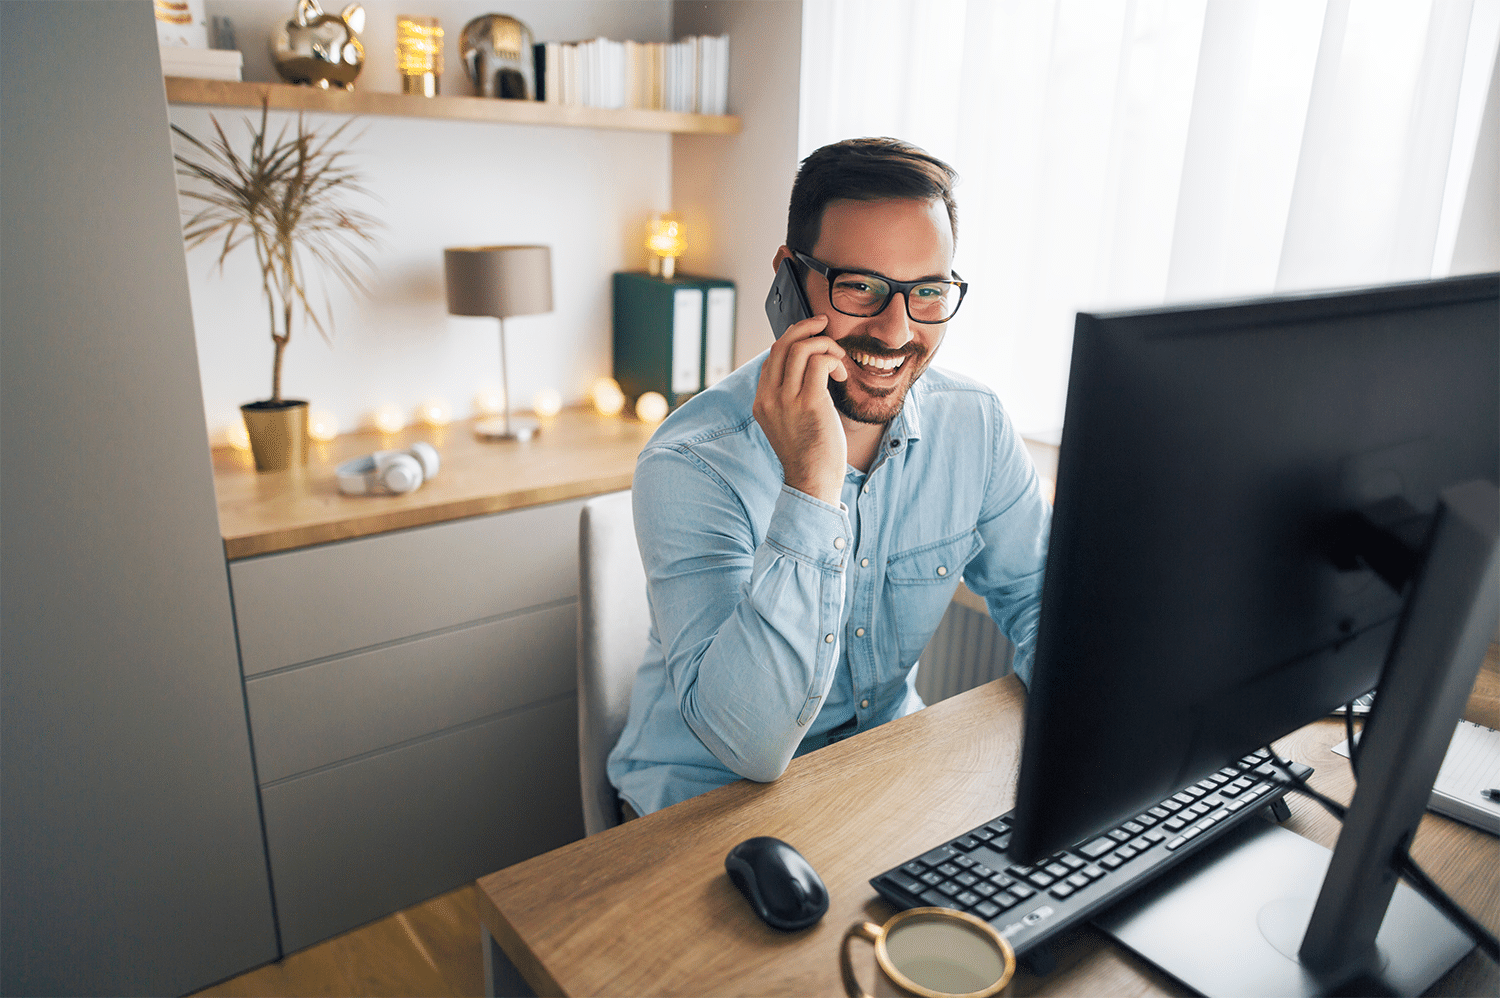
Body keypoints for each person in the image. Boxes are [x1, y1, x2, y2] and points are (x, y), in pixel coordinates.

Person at [607, 137, 1051, 818]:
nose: (897, 330)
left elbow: (1041, 598)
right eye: (861, 287)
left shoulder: (978, 427)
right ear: (788, 279)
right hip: (701, 801)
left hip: (879, 770)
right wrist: (812, 482)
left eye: (927, 291)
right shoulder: (692, 461)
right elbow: (749, 748)